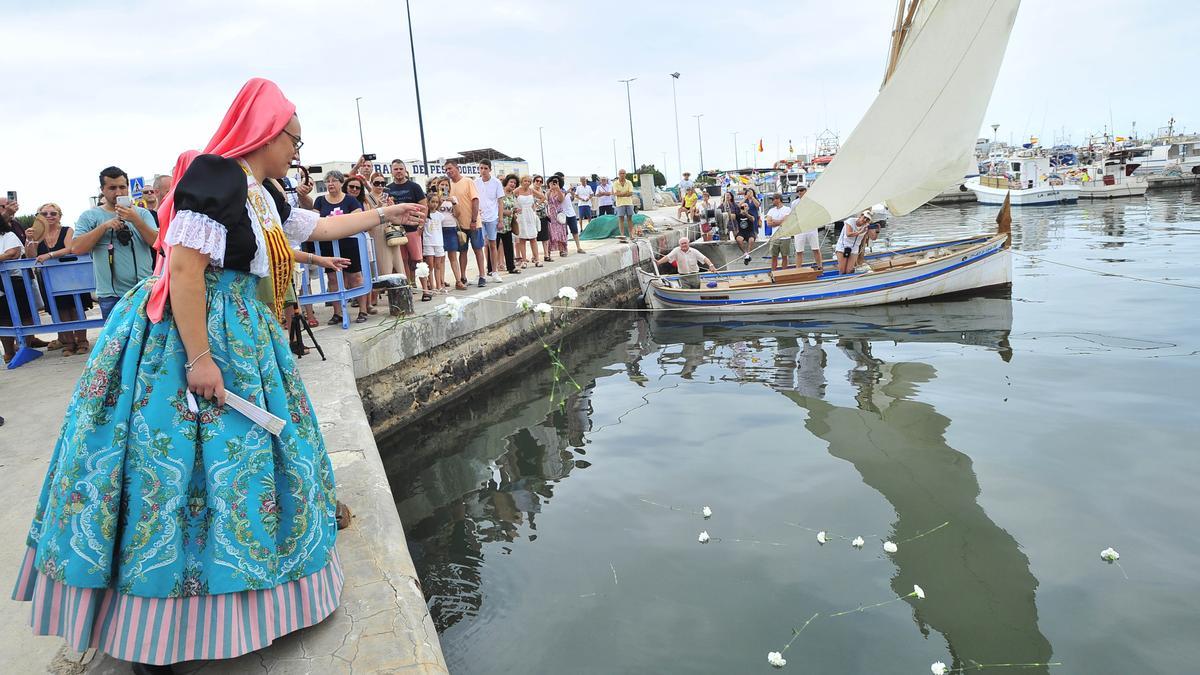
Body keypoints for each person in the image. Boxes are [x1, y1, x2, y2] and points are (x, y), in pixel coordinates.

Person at [12, 77, 428, 671]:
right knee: (175, 464)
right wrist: (201, 359)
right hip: (198, 331)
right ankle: (156, 624)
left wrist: (387, 211)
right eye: (294, 139)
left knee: (237, 461)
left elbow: (318, 228)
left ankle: (222, 605)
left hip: (238, 328)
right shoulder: (217, 176)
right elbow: (184, 270)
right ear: (266, 130)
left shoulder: (263, 192)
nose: (296, 153)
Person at [70, 166, 159, 320]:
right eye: (112, 188)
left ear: (128, 188)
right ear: (102, 189)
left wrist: (135, 220)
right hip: (110, 295)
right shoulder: (90, 216)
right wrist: (104, 227)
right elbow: (77, 248)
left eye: (122, 187)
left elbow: (156, 243)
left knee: (146, 342)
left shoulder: (143, 214)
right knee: (114, 343)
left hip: (144, 289)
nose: (118, 192)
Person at [24, 203, 92, 355]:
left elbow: (70, 248)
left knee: (76, 308)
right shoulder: (37, 234)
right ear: (39, 216)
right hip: (49, 279)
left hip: (71, 275)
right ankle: (69, 343)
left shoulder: (67, 230)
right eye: (44, 213)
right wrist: (29, 240)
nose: (49, 216)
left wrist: (50, 255)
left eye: (53, 213)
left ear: (59, 216)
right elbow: (30, 256)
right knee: (60, 311)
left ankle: (82, 341)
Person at [313, 170, 366, 323]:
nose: (331, 184)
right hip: (328, 245)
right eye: (328, 181)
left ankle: (362, 310)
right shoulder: (320, 201)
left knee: (355, 276)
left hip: (349, 243)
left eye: (334, 180)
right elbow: (316, 221)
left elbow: (358, 219)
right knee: (333, 278)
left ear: (341, 183)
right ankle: (338, 313)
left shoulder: (350, 200)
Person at [0, 215, 42, 363]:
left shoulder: (8, 235)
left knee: (25, 315)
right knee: (2, 318)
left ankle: (24, 347)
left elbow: (12, 253)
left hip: (15, 280)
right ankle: (8, 352)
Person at [342, 174, 380, 315]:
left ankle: (368, 304)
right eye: (351, 186)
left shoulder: (364, 201)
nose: (354, 189)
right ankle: (352, 302)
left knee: (365, 272)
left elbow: (375, 206)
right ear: (346, 187)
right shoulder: (343, 201)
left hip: (362, 238)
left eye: (358, 187)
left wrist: (366, 182)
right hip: (345, 241)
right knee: (348, 275)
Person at [385, 159, 426, 282]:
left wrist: (421, 225)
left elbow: (424, 206)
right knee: (402, 261)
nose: (398, 171)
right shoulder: (387, 189)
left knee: (418, 260)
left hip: (413, 229)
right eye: (396, 169)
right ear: (391, 171)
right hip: (397, 230)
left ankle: (425, 289)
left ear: (405, 170)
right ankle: (409, 286)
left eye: (401, 169)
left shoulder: (414, 186)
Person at [446, 160, 485, 288]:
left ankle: (482, 275)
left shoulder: (468, 181)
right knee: (462, 251)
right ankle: (462, 276)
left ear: (457, 168)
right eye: (446, 170)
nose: (448, 171)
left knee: (478, 249)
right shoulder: (449, 186)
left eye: (450, 168)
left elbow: (475, 200)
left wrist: (473, 220)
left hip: (473, 223)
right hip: (459, 226)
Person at [474, 159, 506, 283]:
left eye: (485, 168)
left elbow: (500, 202)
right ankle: (482, 273)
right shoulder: (475, 182)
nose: (483, 170)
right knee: (480, 246)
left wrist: (501, 220)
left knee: (493, 244)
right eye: (481, 168)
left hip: (492, 217)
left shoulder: (496, 182)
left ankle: (495, 271)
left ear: (490, 169)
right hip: (479, 218)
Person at [422, 176, 449, 300]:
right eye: (432, 202)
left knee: (438, 265)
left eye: (436, 202)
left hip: (439, 243)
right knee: (430, 266)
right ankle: (431, 286)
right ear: (427, 203)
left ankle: (439, 285)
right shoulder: (425, 216)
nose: (434, 204)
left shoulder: (439, 215)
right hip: (428, 243)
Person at [791, 186, 823, 270]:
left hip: (811, 228)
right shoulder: (794, 203)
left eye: (801, 190)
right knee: (799, 251)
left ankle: (820, 266)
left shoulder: (812, 202)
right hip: (799, 229)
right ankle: (798, 269)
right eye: (798, 191)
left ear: (806, 191)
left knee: (816, 249)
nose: (799, 192)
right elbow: (793, 216)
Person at [515, 175, 544, 268]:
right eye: (525, 181)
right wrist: (515, 208)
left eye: (528, 181)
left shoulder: (531, 190)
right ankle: (524, 260)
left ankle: (537, 259)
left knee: (533, 238)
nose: (527, 183)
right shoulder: (517, 190)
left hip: (530, 215)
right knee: (522, 239)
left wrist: (536, 204)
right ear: (521, 181)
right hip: (521, 216)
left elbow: (543, 197)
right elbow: (509, 197)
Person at [497, 174, 522, 275]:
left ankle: (511, 267)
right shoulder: (500, 193)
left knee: (509, 246)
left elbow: (513, 207)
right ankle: (492, 268)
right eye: (511, 182)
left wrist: (516, 210)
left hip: (508, 224)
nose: (513, 184)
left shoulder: (512, 195)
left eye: (515, 183)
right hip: (498, 223)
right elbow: (495, 206)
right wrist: (503, 212)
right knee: (495, 246)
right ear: (506, 182)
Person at [764, 193, 793, 271]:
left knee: (784, 256)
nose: (772, 201)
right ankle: (773, 272)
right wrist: (780, 221)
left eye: (773, 199)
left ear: (778, 199)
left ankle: (784, 272)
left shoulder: (787, 209)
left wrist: (775, 221)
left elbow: (786, 222)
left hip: (785, 236)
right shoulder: (771, 210)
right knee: (774, 256)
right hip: (774, 236)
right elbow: (769, 223)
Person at [546, 176, 570, 258]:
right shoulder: (548, 192)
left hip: (559, 214)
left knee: (560, 232)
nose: (554, 183)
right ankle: (548, 251)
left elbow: (561, 199)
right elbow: (546, 200)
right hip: (551, 214)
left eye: (556, 182)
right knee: (551, 233)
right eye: (553, 182)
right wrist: (551, 188)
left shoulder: (562, 191)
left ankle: (562, 249)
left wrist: (557, 188)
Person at [613, 169, 635, 241]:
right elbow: (616, 194)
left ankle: (631, 234)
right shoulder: (615, 183)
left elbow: (631, 193)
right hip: (620, 203)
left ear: (625, 174)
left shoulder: (629, 182)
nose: (622, 175)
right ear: (618, 174)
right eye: (621, 173)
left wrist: (621, 193)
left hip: (629, 202)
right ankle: (622, 235)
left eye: (623, 173)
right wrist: (625, 193)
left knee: (630, 219)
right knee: (621, 219)